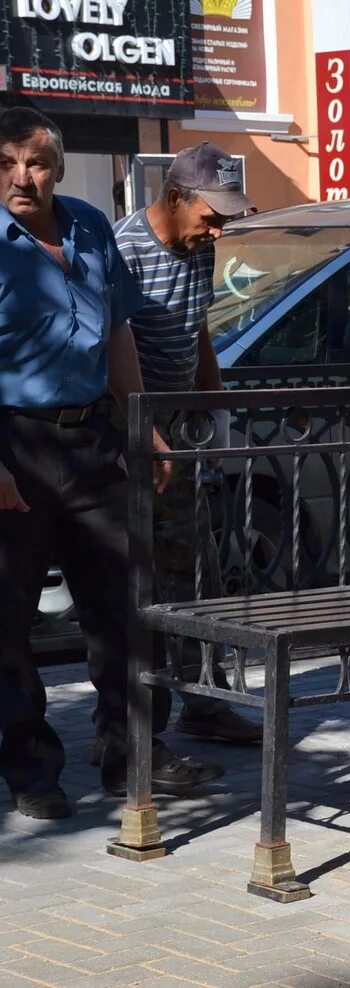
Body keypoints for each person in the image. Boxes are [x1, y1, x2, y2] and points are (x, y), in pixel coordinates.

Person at [0, 107, 223, 819]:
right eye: (6, 164)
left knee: (125, 606)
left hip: (95, 438)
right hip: (16, 445)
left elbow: (119, 332)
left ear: (58, 167)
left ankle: (133, 752)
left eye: (33, 162)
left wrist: (145, 428)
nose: (20, 177)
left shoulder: (92, 226)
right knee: (9, 622)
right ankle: (31, 769)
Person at [111, 142, 262, 751]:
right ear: (174, 198)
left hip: (179, 418)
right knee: (143, 577)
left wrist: (213, 397)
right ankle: (135, 723)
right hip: (132, 420)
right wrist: (136, 428)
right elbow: (110, 341)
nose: (217, 227)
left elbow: (197, 322)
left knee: (195, 570)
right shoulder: (124, 249)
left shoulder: (200, 246)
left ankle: (205, 699)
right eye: (211, 215)